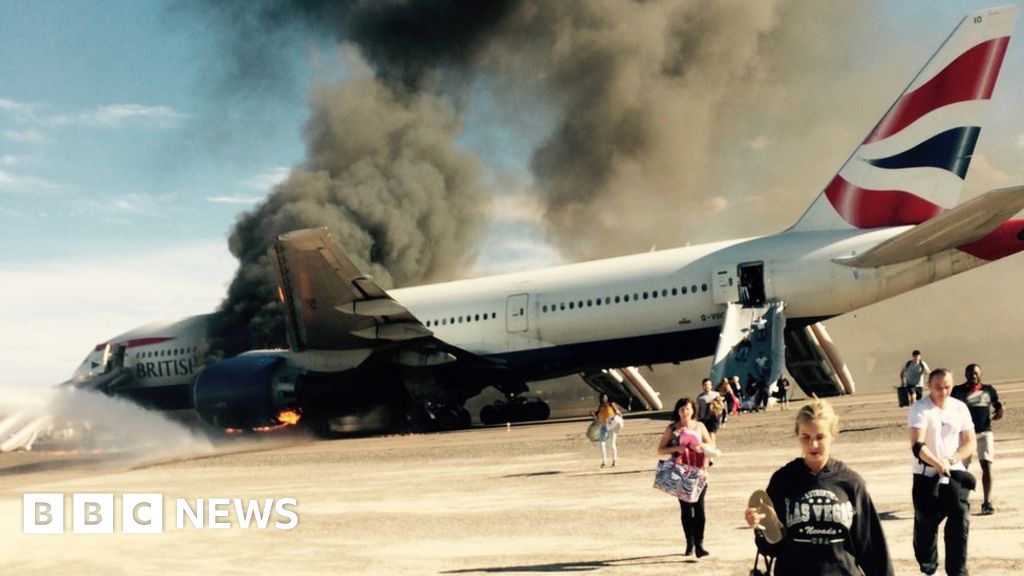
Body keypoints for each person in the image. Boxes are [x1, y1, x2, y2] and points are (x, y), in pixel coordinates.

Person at [744, 397, 894, 575]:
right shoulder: (783, 480)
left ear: (833, 436)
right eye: (805, 437)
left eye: (820, 437)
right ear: (797, 435)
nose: (813, 444)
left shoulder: (851, 483)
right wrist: (760, 528)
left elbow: (872, 548)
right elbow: (771, 548)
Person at [909, 368, 977, 576]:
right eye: (938, 387)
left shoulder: (960, 408)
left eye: (947, 387)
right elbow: (917, 444)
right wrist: (937, 463)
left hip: (953, 470)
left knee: (959, 515)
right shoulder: (920, 409)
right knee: (927, 519)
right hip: (926, 472)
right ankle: (928, 563)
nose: (943, 391)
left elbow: (970, 442)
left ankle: (957, 570)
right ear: (929, 386)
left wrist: (951, 460)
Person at [658, 397, 714, 558]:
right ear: (678, 411)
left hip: (699, 471)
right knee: (686, 510)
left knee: (700, 509)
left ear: (692, 410)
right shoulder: (672, 428)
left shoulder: (699, 426)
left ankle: (700, 544)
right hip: (680, 473)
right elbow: (660, 450)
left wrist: (701, 447)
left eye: (687, 409)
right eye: (682, 409)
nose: (685, 412)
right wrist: (677, 447)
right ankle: (689, 543)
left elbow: (711, 446)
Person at [952, 364, 1004, 515]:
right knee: (962, 469)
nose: (973, 376)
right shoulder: (958, 391)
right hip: (965, 435)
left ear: (980, 374)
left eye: (975, 373)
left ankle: (987, 502)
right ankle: (959, 500)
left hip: (984, 432)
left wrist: (1000, 412)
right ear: (965, 375)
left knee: (986, 465)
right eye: (970, 373)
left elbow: (998, 406)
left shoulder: (989, 390)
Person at [592, 393, 622, 468]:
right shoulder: (601, 406)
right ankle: (604, 462)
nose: (604, 399)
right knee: (602, 443)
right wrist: (593, 414)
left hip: (612, 426)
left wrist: (618, 421)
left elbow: (618, 413)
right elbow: (597, 414)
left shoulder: (611, 404)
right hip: (603, 426)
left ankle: (614, 461)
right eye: (602, 398)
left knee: (612, 444)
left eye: (605, 397)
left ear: (607, 398)